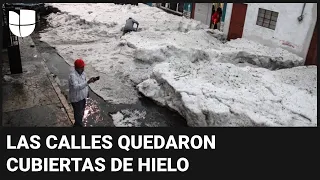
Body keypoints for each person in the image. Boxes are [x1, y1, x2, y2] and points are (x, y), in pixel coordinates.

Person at [68, 59, 98, 127]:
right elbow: (76, 87)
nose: (83, 68)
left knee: (81, 114)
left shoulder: (83, 73)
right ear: (77, 68)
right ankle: (78, 126)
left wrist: (87, 93)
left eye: (83, 67)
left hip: (82, 98)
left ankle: (77, 125)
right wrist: (88, 82)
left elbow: (84, 84)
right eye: (81, 67)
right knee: (78, 115)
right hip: (76, 99)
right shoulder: (73, 76)